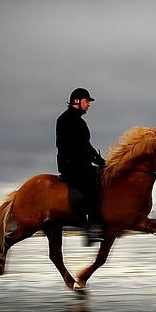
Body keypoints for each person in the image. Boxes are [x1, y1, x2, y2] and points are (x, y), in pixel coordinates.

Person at [56, 88, 105, 246]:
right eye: (87, 101)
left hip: (80, 163)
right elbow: (70, 146)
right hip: (70, 165)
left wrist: (100, 160)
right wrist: (89, 159)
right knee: (92, 183)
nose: (89, 104)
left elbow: (86, 145)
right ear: (77, 101)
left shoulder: (80, 121)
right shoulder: (65, 120)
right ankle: (90, 230)